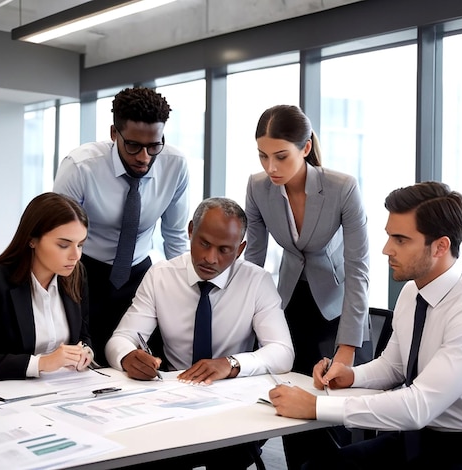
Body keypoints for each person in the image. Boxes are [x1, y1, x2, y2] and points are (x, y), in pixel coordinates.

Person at [269, 181, 462, 469]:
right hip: (421, 438)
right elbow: (394, 367)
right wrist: (350, 376)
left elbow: (418, 405)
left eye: (401, 240)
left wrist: (315, 407)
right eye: (389, 236)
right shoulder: (414, 292)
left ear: (440, 246)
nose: (387, 249)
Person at [106, 197, 294, 469]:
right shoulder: (161, 275)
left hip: (234, 406)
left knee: (229, 456)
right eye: (204, 243)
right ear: (191, 230)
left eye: (224, 249)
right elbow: (121, 339)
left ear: (240, 249)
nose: (210, 258)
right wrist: (127, 357)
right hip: (171, 404)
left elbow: (282, 352)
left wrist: (230, 364)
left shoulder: (257, 282)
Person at [53, 86, 190, 366]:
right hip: (82, 271)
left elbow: (174, 237)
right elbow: (57, 235)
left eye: (154, 146)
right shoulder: (80, 167)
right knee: (85, 362)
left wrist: (185, 291)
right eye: (133, 146)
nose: (144, 157)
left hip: (139, 271)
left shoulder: (175, 165)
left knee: (140, 361)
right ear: (114, 133)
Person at [245, 104, 370, 376]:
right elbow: (252, 262)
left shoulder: (342, 188)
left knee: (337, 398)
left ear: (305, 148)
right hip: (289, 302)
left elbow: (358, 268)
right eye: (262, 156)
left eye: (281, 156)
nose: (271, 167)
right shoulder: (257, 187)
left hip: (338, 307)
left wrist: (347, 346)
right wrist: (243, 324)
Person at [0, 193, 94, 382]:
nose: (75, 255)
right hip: (9, 397)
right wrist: (41, 364)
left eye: (81, 245)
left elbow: (83, 336)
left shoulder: (76, 275)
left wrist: (85, 352)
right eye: (63, 245)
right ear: (32, 240)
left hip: (64, 390)